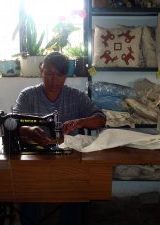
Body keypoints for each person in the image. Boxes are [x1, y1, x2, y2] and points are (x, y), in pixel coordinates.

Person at [13, 51, 106, 225]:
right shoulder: (27, 95)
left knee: (75, 189)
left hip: (68, 157)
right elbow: (14, 123)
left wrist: (81, 121)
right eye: (49, 74)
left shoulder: (76, 96)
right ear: (41, 71)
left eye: (60, 75)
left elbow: (100, 119)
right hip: (35, 157)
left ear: (66, 75)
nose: (54, 80)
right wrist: (29, 130)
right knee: (27, 189)